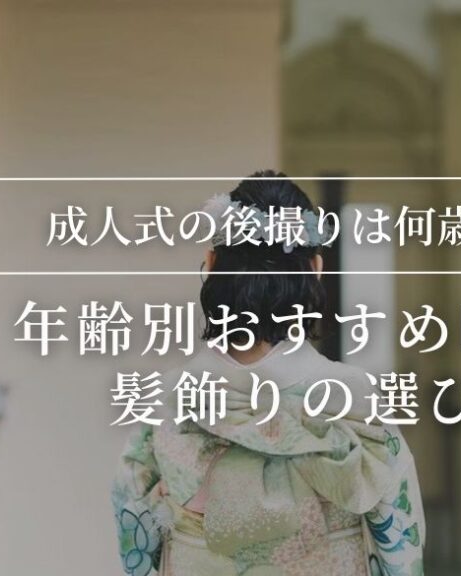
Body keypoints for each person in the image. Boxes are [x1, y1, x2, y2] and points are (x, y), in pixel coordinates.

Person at [111, 171, 425, 575]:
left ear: (212, 263)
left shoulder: (168, 398)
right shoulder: (352, 396)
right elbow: (400, 535)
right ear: (315, 268)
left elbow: (132, 517)